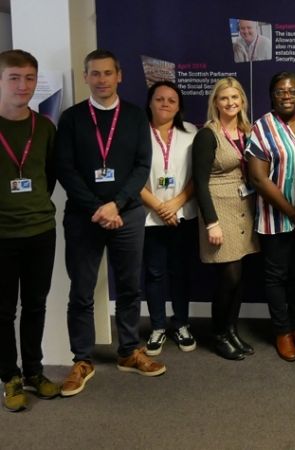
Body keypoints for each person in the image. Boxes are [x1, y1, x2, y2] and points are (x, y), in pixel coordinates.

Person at [56, 49, 164, 398]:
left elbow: (141, 166)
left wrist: (115, 204)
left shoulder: (134, 117)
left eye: (108, 73)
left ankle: (129, 351)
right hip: (83, 217)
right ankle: (82, 359)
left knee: (130, 287)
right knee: (82, 290)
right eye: (95, 74)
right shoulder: (71, 119)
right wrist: (98, 207)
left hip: (127, 214)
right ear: (86, 78)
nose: (102, 80)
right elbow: (66, 169)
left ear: (120, 76)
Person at [0, 50, 60, 411]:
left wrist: (33, 205)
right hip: (2, 236)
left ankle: (35, 371)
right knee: (3, 311)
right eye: (14, 78)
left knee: (36, 305)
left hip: (40, 230)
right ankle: (10, 376)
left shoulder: (45, 127)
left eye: (29, 78)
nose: (23, 86)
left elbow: (48, 177)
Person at [247, 72, 295, 362]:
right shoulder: (262, 127)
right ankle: (282, 331)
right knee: (277, 275)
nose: (286, 96)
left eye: (291, 91)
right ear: (271, 96)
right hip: (275, 216)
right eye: (279, 92)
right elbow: (258, 179)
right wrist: (292, 212)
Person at [192, 77, 259, 361]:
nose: (230, 103)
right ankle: (218, 334)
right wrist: (211, 223)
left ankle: (231, 330)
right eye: (224, 99)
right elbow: (199, 182)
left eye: (235, 97)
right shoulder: (208, 135)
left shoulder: (248, 130)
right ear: (215, 103)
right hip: (219, 209)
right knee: (228, 276)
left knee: (239, 275)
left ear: (242, 101)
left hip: (244, 206)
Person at [140, 81, 199, 356]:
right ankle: (157, 326)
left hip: (182, 215)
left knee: (181, 272)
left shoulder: (191, 133)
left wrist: (175, 204)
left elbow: (198, 177)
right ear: (150, 102)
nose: (165, 103)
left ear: (179, 107)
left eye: (171, 100)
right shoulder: (137, 133)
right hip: (150, 216)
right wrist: (160, 207)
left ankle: (182, 323)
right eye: (159, 98)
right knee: (153, 273)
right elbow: (133, 177)